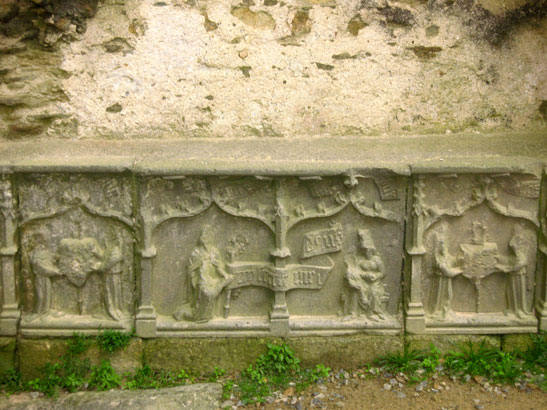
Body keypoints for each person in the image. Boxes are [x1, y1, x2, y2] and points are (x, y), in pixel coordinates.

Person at [185, 225, 233, 323]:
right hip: (200, 280)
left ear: (211, 237)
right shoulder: (196, 252)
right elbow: (189, 271)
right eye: (204, 234)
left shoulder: (214, 251)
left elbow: (218, 266)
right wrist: (198, 263)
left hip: (213, 279)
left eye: (207, 234)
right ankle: (200, 316)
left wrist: (224, 274)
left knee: (229, 279)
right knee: (207, 293)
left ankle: (208, 313)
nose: (204, 236)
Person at [344, 229, 387, 321]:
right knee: (356, 290)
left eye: (368, 250)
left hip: (375, 282)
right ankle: (353, 313)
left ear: (372, 249)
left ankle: (373, 313)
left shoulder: (377, 260)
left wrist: (375, 276)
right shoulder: (360, 259)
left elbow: (383, 273)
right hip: (363, 281)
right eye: (364, 250)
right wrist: (364, 275)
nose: (366, 252)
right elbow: (356, 271)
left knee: (373, 292)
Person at [431, 237, 462, 319]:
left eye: (445, 245)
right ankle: (441, 314)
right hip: (442, 283)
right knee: (445, 297)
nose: (444, 247)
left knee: (448, 296)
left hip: (446, 282)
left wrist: (459, 259)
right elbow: (448, 272)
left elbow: (453, 260)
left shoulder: (446, 256)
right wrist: (459, 270)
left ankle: (445, 311)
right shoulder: (439, 260)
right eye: (441, 246)